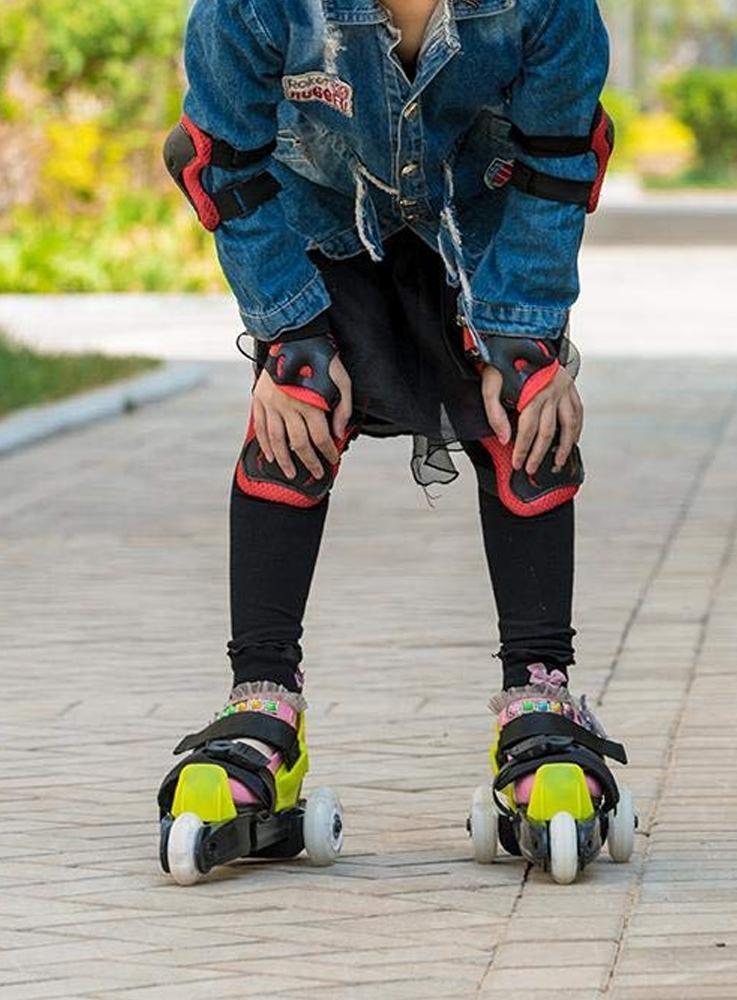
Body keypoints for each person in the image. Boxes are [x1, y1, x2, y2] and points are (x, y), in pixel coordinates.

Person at [156, 0, 632, 882]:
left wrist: (524, 337)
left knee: (527, 413)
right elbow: (218, 160)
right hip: (315, 228)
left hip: (485, 231)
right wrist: (287, 336)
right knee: (295, 410)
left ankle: (541, 692)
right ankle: (262, 702)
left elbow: (561, 159)